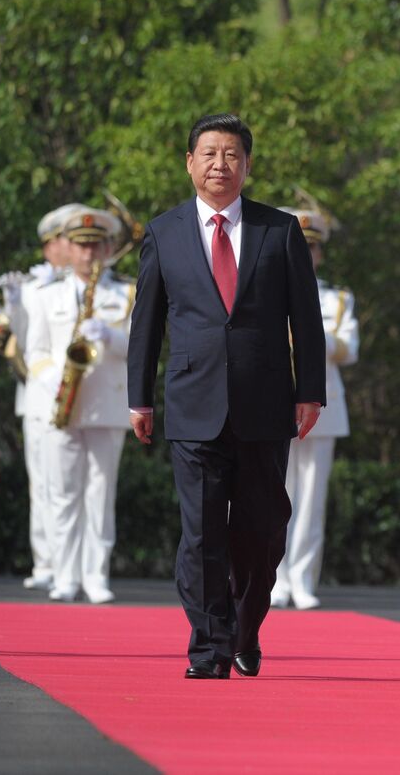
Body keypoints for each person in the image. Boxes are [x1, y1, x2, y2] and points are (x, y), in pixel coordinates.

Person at [127, 113, 326, 680]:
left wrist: (310, 391)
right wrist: (139, 397)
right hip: (193, 403)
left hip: (266, 403)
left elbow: (306, 317)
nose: (220, 164)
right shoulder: (164, 231)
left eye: (232, 154)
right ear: (190, 162)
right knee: (202, 532)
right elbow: (147, 321)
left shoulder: (279, 230)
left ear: (247, 165)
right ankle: (209, 646)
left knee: (261, 531)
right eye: (210, 154)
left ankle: (244, 627)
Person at [25, 207, 132, 604]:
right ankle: (65, 574)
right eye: (81, 246)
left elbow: (140, 346)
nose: (88, 254)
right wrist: (54, 378)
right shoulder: (46, 295)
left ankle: (96, 575)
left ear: (107, 248)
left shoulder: (125, 294)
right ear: (68, 248)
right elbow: (35, 352)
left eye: (95, 246)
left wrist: (109, 336)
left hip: (106, 404)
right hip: (61, 403)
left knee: (100, 494)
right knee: (62, 492)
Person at [271, 208, 358, 610]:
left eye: (312, 248)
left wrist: (311, 333)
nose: (306, 255)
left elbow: (349, 348)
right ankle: (275, 578)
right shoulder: (267, 288)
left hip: (322, 405)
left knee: (311, 499)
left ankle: (303, 578)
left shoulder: (336, 299)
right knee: (275, 494)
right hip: (275, 400)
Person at [0, 204, 78, 592]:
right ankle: (45, 560)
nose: (70, 246)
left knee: (71, 486)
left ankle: (70, 565)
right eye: (64, 239)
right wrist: (13, 301)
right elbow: (15, 339)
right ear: (50, 246)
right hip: (38, 394)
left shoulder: (86, 283)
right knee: (43, 483)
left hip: (78, 396)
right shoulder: (33, 285)